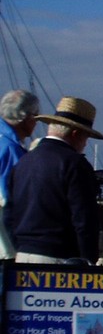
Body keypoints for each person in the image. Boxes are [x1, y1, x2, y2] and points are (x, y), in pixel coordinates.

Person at [4, 96, 103, 264]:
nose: (85, 144)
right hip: (59, 259)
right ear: (76, 134)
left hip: (23, 255)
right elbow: (84, 219)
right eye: (86, 137)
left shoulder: (23, 161)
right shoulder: (75, 164)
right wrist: (88, 259)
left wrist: (20, 246)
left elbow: (8, 214)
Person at [0, 89, 40, 259]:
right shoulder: (11, 149)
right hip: (5, 237)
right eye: (36, 116)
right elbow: (10, 197)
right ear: (26, 117)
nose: (36, 122)